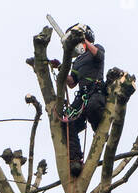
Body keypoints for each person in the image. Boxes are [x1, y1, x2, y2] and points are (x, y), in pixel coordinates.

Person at [52, 23, 106, 177]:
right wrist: (62, 69)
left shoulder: (96, 48)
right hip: (82, 94)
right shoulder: (77, 62)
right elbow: (72, 83)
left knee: (94, 107)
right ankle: (75, 158)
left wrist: (84, 40)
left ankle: (99, 130)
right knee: (67, 122)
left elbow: (99, 55)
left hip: (95, 91)